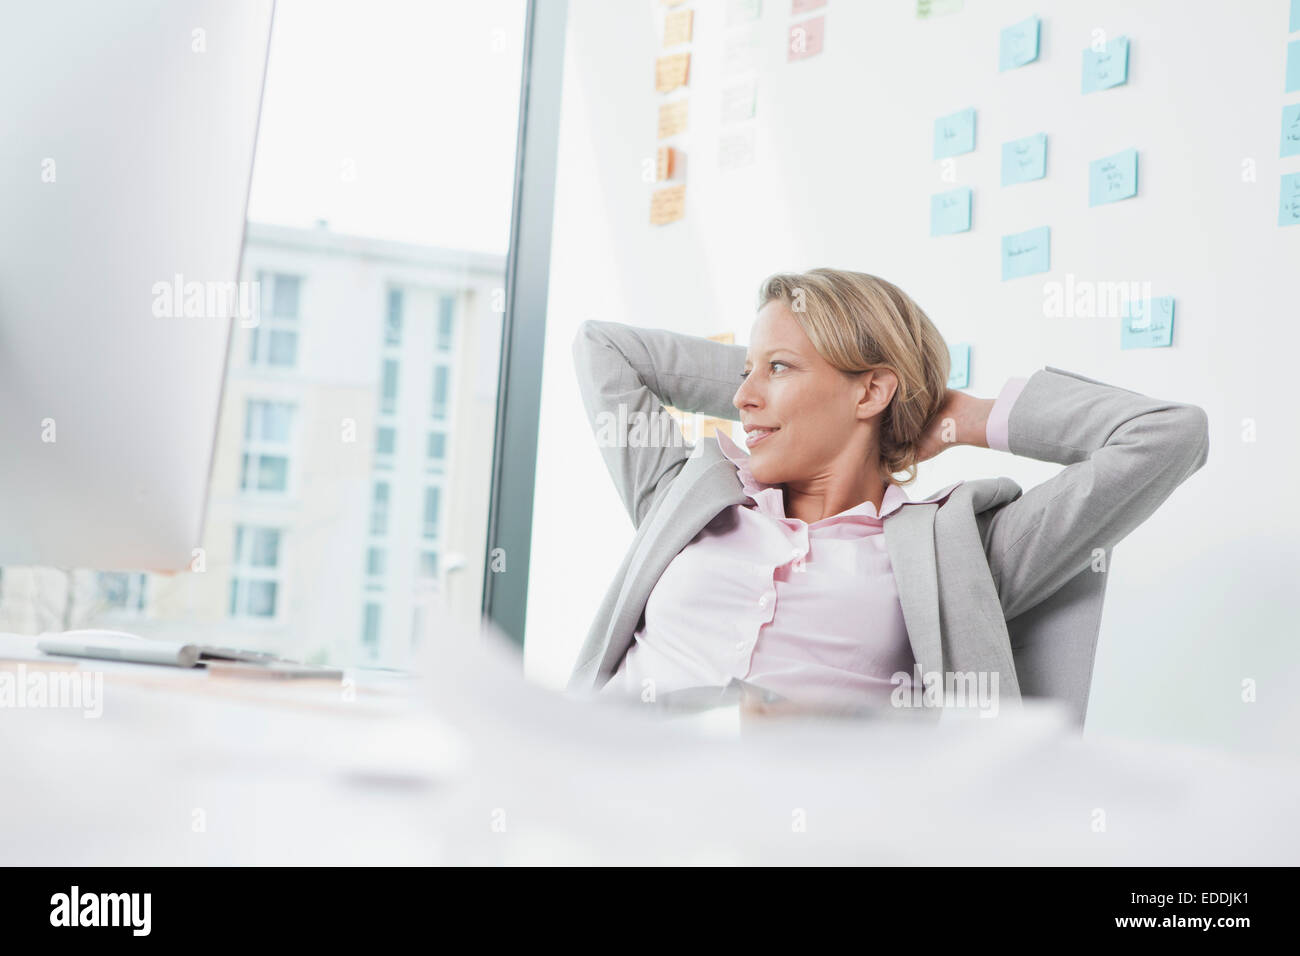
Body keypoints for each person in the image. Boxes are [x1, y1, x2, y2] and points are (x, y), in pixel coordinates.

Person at [567, 268, 1209, 725]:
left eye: (778, 368)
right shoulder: (688, 498)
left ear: (872, 392)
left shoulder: (958, 551)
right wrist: (783, 368)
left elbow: (1166, 437)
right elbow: (605, 349)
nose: (740, 398)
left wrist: (963, 415)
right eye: (744, 372)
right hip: (604, 798)